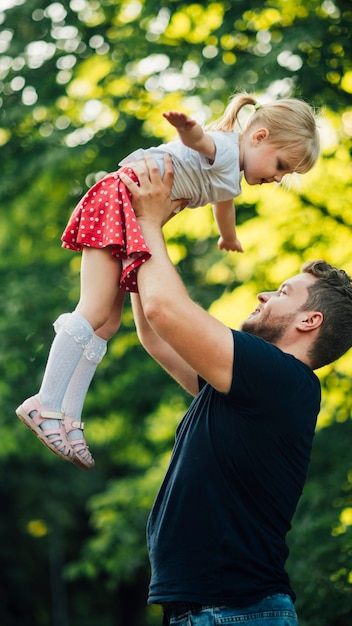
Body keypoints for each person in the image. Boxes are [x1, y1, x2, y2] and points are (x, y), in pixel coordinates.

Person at [121, 155, 352, 626]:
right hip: (219, 611)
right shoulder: (248, 385)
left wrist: (149, 222)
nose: (263, 295)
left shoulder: (281, 379)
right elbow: (155, 335)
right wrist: (137, 235)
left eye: (281, 291)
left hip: (233, 612)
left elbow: (165, 311)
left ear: (309, 321)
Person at [16, 93, 320, 470]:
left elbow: (224, 205)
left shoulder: (231, 177)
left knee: (108, 324)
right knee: (93, 310)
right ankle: (45, 401)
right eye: (281, 165)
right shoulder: (225, 150)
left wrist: (228, 237)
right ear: (257, 137)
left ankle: (68, 416)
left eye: (285, 174)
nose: (278, 177)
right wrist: (186, 127)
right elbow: (200, 140)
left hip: (131, 209)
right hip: (120, 199)